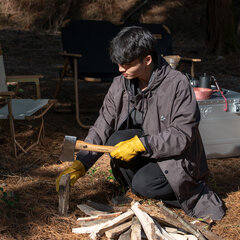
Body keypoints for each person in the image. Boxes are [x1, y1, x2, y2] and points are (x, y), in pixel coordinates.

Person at [56, 26, 225, 220]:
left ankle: (170, 189)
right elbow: (103, 123)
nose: (120, 69)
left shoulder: (177, 84)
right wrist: (81, 163)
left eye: (126, 64)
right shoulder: (121, 84)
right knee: (115, 139)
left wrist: (140, 145)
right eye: (119, 63)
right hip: (150, 150)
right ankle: (140, 185)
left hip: (178, 157)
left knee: (144, 184)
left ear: (147, 60)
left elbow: (182, 136)